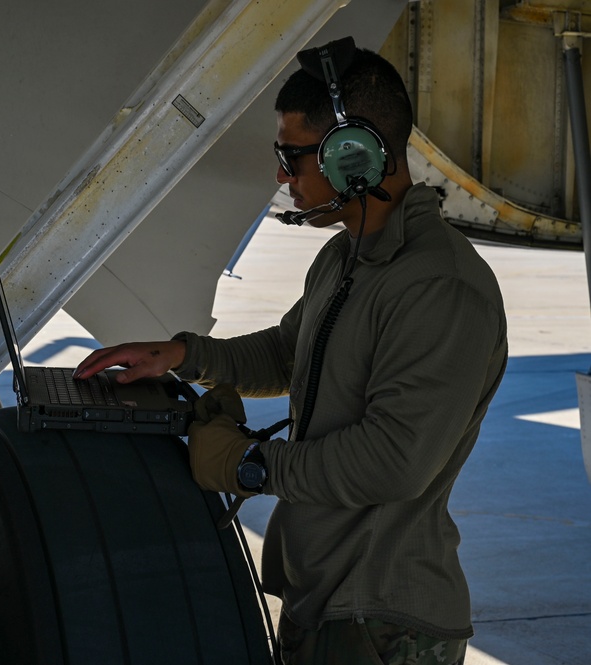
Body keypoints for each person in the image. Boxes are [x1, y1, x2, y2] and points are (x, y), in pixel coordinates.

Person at [74, 38, 507, 665]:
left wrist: (250, 465)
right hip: (327, 602)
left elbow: (392, 462)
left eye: (293, 157)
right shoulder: (347, 257)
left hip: (381, 622)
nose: (282, 177)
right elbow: (290, 352)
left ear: (353, 158)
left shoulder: (439, 289)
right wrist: (184, 356)